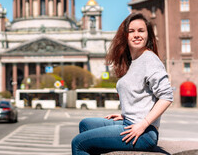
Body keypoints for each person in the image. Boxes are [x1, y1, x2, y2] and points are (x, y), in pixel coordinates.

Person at [71, 13, 173, 155]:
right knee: (86, 124)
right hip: (129, 122)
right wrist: (126, 114)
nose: (136, 35)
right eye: (131, 31)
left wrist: (142, 124)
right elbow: (141, 95)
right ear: (125, 35)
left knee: (79, 143)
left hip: (143, 132)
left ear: (148, 35)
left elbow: (166, 97)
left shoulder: (150, 60)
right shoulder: (133, 62)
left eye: (141, 31)